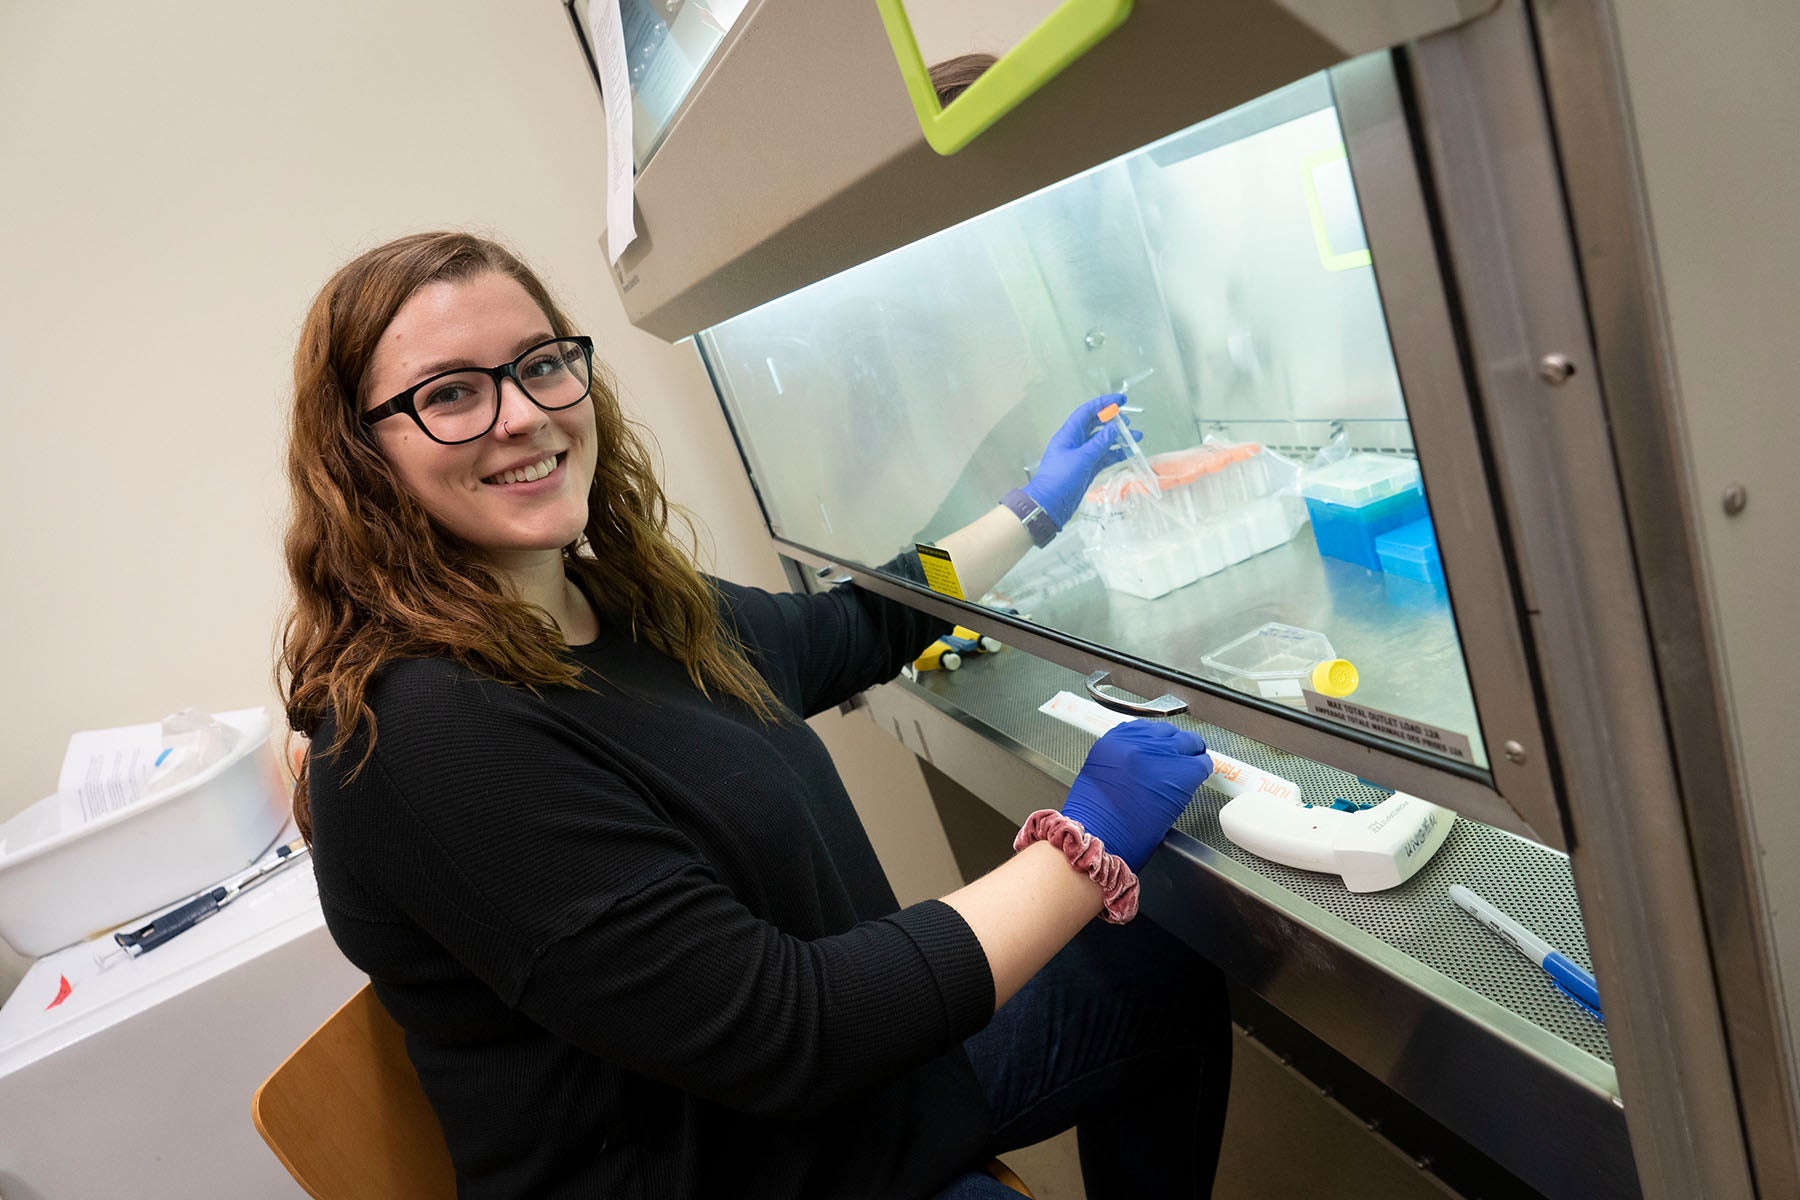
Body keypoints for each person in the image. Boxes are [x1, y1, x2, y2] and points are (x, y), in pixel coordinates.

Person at [281, 231, 1231, 1199]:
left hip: (841, 1114)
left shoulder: (631, 611)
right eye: (450, 394)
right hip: (749, 1164)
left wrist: (1032, 509)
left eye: (540, 364)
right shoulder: (418, 734)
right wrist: (1083, 843)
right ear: (359, 457)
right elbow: (792, 1032)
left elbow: (857, 627)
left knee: (1160, 974)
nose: (523, 414)